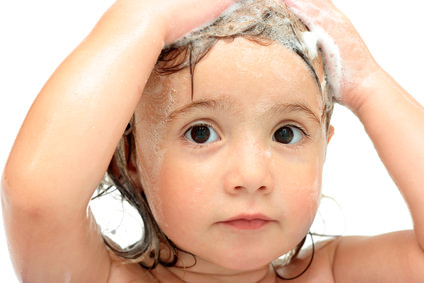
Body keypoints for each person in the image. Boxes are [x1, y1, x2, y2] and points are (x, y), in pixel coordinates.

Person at [1, 0, 423, 282]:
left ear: (325, 151)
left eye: (286, 133)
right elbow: (39, 203)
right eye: (200, 133)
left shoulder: (333, 274)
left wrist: (368, 84)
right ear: (128, 157)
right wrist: (145, 17)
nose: (252, 176)